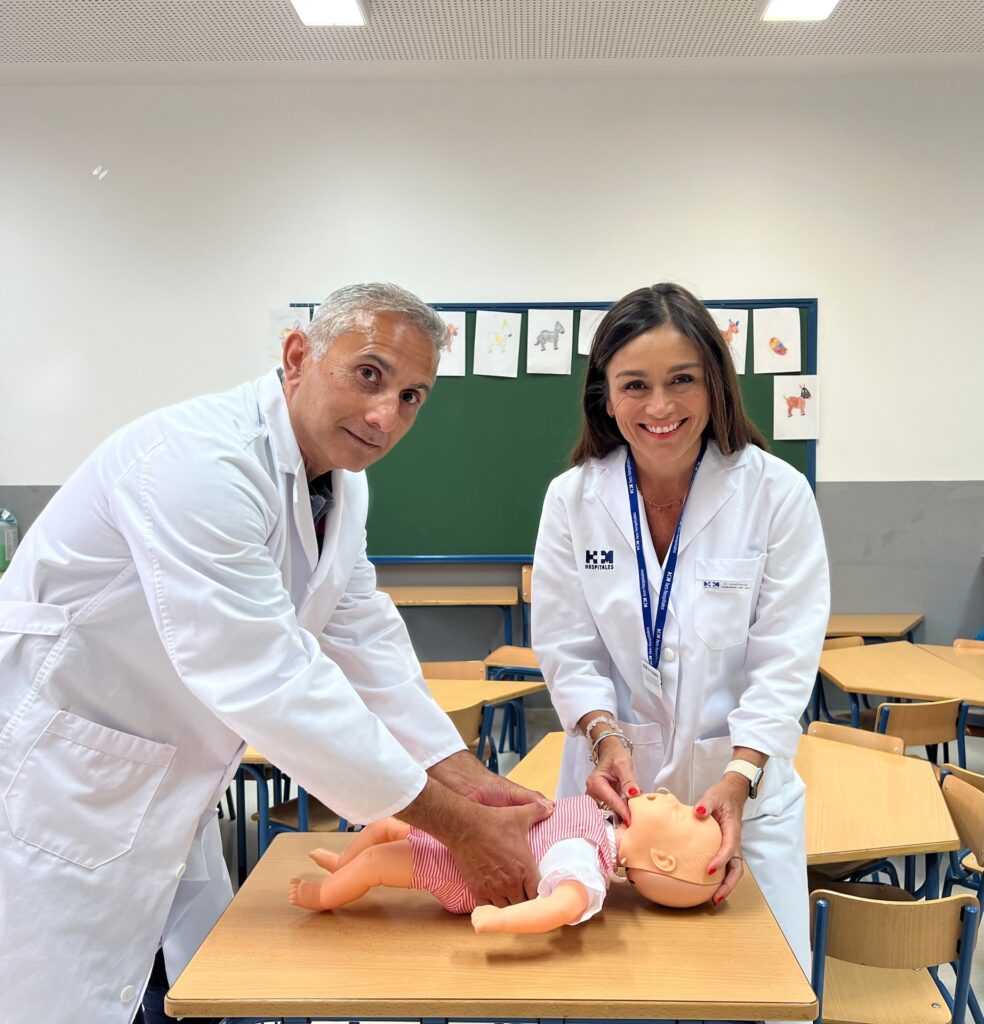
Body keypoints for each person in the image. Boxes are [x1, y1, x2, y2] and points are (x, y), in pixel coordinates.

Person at [0, 283, 551, 1024]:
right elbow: (267, 676)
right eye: (369, 374)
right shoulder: (197, 461)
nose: (386, 414)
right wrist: (457, 827)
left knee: (185, 988)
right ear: (297, 357)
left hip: (164, 781)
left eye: (412, 396)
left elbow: (360, 632)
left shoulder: (342, 487)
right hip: (61, 781)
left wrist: (465, 774)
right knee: (55, 997)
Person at [532, 283, 829, 973]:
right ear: (606, 396)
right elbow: (568, 648)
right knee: (610, 988)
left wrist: (739, 777)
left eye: (682, 380)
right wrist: (604, 737)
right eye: (635, 384)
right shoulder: (572, 500)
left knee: (761, 989)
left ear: (715, 385)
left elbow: (785, 658)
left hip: (744, 795)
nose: (660, 406)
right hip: (614, 807)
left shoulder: (775, 493)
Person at [287, 790, 722, 931]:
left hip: (464, 872)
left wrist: (498, 920)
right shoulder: (598, 822)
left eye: (680, 813)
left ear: (662, 859)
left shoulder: (585, 859)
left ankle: (322, 895)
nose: (671, 798)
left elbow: (562, 907)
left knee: (378, 862)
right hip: (475, 837)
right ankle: (341, 864)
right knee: (385, 826)